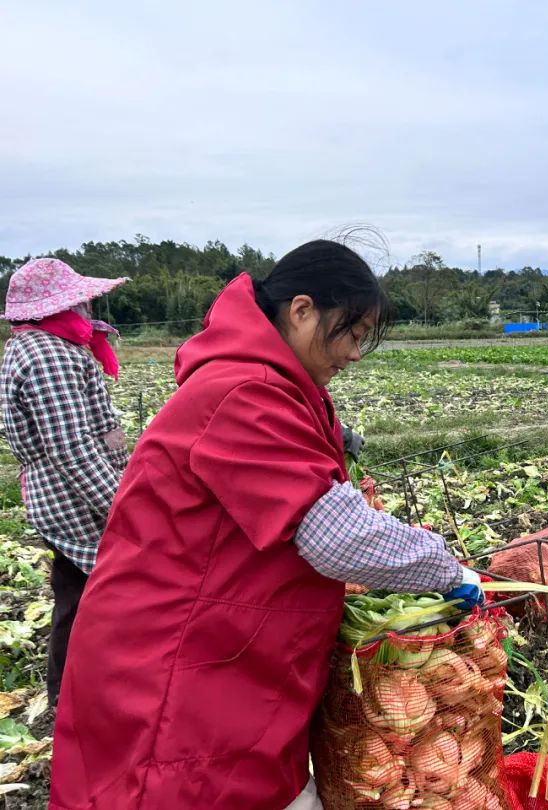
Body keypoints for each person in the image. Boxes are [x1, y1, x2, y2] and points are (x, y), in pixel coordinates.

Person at [48, 240, 483, 810]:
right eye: (352, 333)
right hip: (174, 663)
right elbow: (338, 536)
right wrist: (442, 565)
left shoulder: (269, 386)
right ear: (301, 311)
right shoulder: (243, 394)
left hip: (222, 650)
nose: (355, 353)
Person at [0, 258, 130, 707]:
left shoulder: (39, 345)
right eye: (80, 297)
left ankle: (72, 690)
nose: (87, 302)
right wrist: (121, 505)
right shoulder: (49, 354)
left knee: (76, 589)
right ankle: (77, 693)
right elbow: (71, 448)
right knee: (93, 596)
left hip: (64, 494)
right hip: (73, 499)